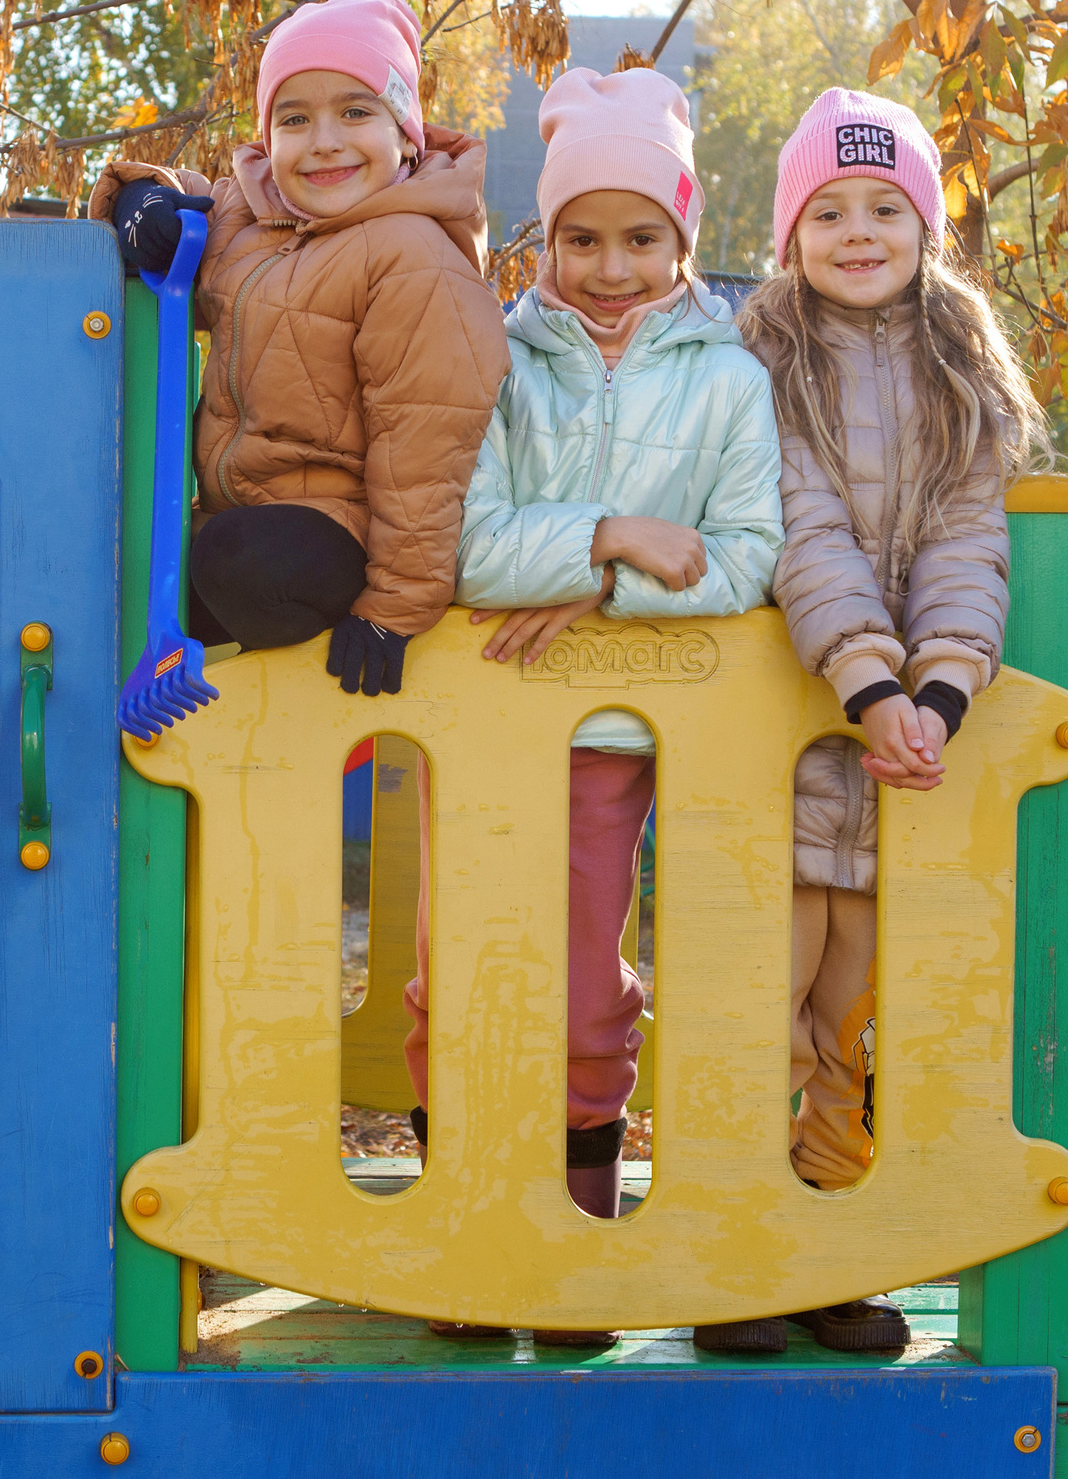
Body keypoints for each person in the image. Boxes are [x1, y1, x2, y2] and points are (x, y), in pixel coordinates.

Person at [417, 66, 782, 1348]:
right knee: (452, 969)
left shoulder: (730, 381)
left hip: (625, 740)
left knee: (581, 978)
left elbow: (741, 561)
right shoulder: (501, 359)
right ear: (544, 239)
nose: (611, 265)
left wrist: (589, 580)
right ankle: (464, 1219)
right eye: (582, 236)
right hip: (488, 718)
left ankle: (573, 1221)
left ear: (683, 238)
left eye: (641, 237)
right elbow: (465, 547)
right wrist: (623, 537)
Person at [708, 87, 1051, 1357]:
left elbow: (969, 539)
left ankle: (830, 1250)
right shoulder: (762, 364)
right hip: (792, 747)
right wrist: (871, 685)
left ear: (926, 225)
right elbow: (803, 536)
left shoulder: (960, 371)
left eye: (885, 208)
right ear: (792, 229)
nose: (858, 231)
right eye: (830, 209)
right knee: (759, 1012)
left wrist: (944, 688)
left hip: (906, 762)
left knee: (853, 1024)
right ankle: (736, 1251)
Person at [96, 0, 509, 694]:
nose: (324, 140)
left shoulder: (412, 252)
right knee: (113, 574)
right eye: (295, 119)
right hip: (235, 515)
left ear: (407, 134)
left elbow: (428, 445)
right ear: (267, 139)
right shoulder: (247, 217)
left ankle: (282, 688)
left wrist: (396, 608)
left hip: (343, 532)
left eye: (355, 111)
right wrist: (139, 202)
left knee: (234, 561)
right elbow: (186, 194)